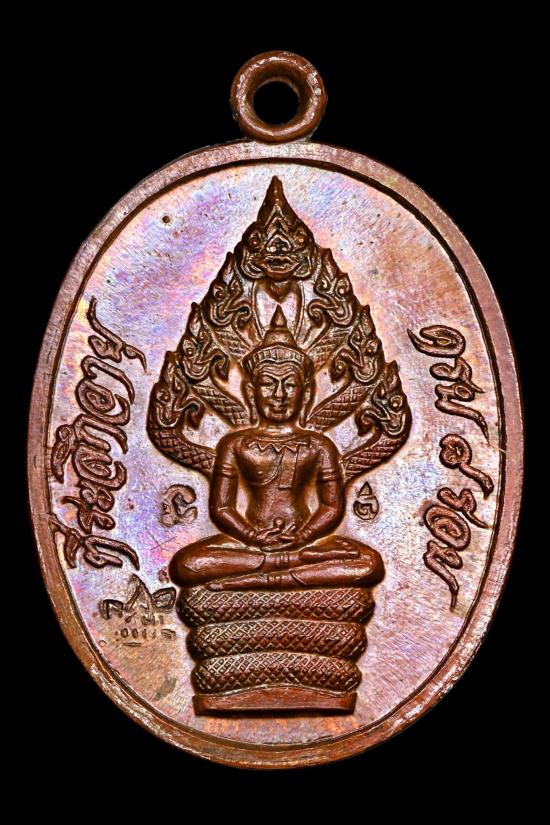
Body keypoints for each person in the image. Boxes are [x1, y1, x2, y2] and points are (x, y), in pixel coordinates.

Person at [169, 307, 384, 591]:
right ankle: (282, 566)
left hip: (305, 543)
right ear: (251, 392)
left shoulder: (319, 445)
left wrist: (304, 536)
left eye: (290, 385)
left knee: (369, 563)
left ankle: (275, 570)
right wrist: (252, 536)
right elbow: (221, 507)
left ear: (306, 394)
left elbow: (331, 506)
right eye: (269, 384)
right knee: (186, 564)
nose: (279, 395)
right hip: (250, 546)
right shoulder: (235, 444)